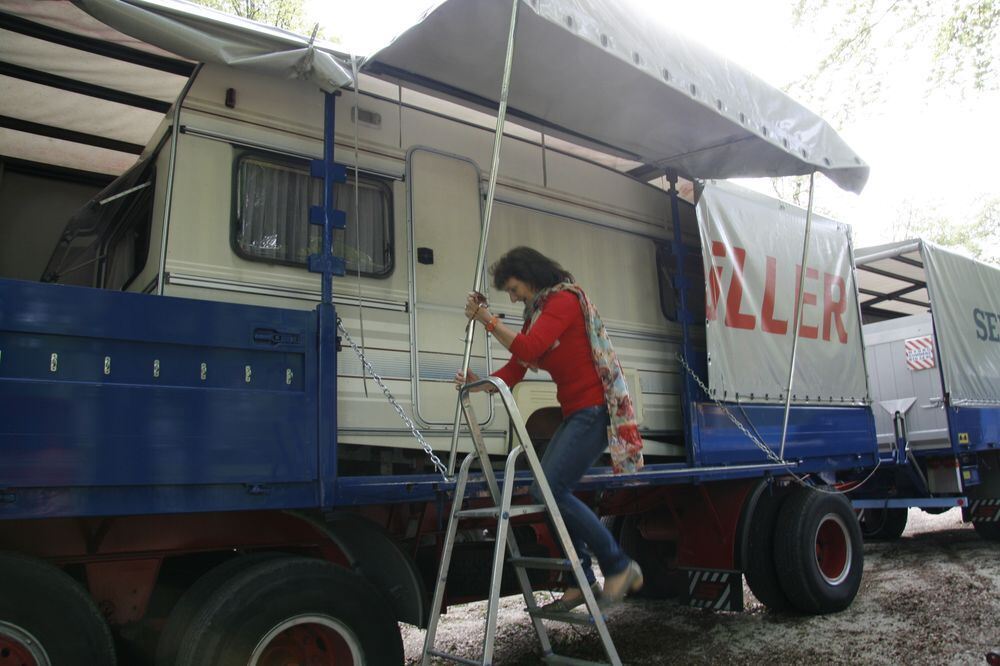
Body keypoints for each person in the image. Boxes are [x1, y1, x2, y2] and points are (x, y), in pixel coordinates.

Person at [454, 246, 644, 610]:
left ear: (529, 276)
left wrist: (487, 319)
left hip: (591, 411)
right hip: (576, 412)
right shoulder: (539, 311)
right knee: (550, 491)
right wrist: (483, 382)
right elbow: (519, 365)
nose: (512, 296)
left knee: (550, 490)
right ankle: (580, 582)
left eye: (513, 288)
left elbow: (531, 345)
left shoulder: (564, 302)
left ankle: (619, 565)